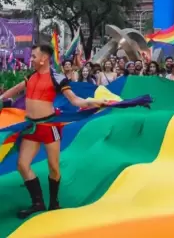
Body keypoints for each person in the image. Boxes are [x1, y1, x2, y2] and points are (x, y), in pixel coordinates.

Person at [0, 44, 106, 219]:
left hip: (49, 127)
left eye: (33, 56)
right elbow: (15, 90)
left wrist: (94, 102)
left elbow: (75, 100)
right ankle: (37, 203)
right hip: (31, 126)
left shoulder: (57, 78)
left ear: (44, 59)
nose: (30, 59)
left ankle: (54, 202)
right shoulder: (30, 76)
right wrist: (2, 98)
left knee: (54, 167)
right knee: (22, 165)